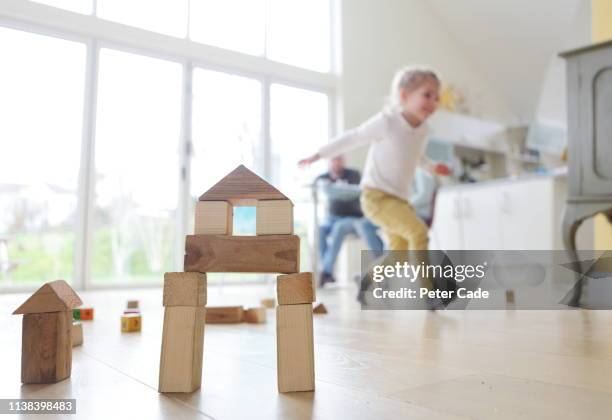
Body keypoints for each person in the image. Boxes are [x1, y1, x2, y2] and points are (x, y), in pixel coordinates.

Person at [299, 66, 450, 304]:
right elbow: (353, 137)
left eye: (437, 97)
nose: (433, 102)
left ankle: (367, 279)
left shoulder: (423, 131)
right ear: (404, 95)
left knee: (399, 255)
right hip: (376, 197)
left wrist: (432, 167)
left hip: (399, 200)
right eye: (427, 95)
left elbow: (416, 157)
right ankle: (429, 293)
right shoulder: (387, 122)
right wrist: (319, 155)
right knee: (418, 232)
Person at [316, 156, 383, 286]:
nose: (337, 162)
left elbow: (358, 192)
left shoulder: (354, 174)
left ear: (344, 161)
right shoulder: (323, 177)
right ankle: (326, 270)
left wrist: (336, 190)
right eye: (334, 159)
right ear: (329, 162)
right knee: (320, 230)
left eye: (339, 159)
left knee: (339, 228)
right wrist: (343, 190)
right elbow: (327, 191)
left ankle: (325, 272)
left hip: (351, 218)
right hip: (331, 218)